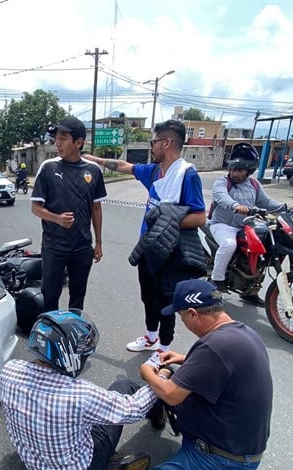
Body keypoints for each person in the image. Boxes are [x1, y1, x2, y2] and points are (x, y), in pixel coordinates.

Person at [139, 278, 282, 470]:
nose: (183, 323)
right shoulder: (239, 333)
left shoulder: (213, 348)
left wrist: (147, 371)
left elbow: (171, 394)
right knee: (177, 379)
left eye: (182, 317)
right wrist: (181, 358)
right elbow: (216, 365)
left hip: (224, 460)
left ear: (193, 314)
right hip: (238, 447)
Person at [0, 309, 166, 470]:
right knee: (124, 385)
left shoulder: (9, 371)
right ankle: (104, 465)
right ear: (68, 355)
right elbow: (131, 409)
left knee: (81, 421)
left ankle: (102, 465)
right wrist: (159, 380)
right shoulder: (79, 395)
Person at [84, 120, 206, 366]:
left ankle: (163, 349)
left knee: (166, 301)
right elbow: (123, 166)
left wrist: (166, 222)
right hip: (148, 247)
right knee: (148, 296)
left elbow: (200, 216)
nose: (152, 147)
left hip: (171, 251)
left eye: (154, 142)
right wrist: (94, 160)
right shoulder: (154, 172)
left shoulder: (187, 175)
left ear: (167, 142)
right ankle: (150, 337)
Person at [209, 143, 293, 305]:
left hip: (245, 225)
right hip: (223, 225)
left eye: (239, 170)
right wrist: (236, 206)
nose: (234, 173)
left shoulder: (254, 185)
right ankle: (217, 281)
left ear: (249, 171)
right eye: (233, 169)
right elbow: (221, 197)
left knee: (262, 252)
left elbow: (266, 202)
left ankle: (250, 291)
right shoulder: (222, 182)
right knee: (229, 245)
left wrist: (286, 207)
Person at [31, 116, 107, 312]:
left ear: (79, 142)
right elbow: (36, 208)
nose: (57, 143)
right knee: (50, 296)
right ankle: (50, 335)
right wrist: (57, 218)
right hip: (54, 246)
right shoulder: (48, 168)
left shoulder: (93, 171)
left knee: (77, 297)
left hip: (82, 247)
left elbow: (96, 209)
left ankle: (74, 335)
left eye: (63, 138)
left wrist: (98, 242)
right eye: (56, 138)